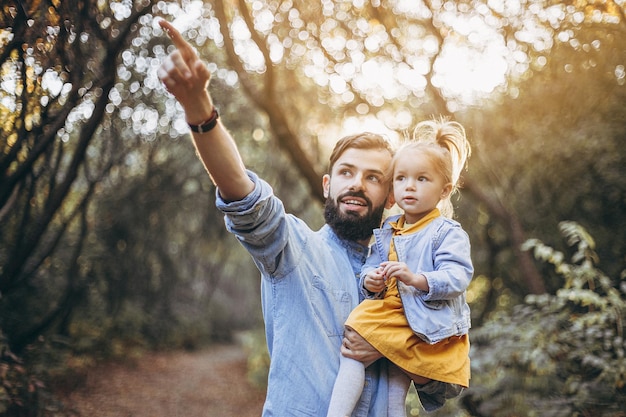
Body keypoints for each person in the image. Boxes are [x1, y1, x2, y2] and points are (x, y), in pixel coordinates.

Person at [156, 19, 395, 416]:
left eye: (373, 178)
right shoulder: (294, 251)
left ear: (388, 196)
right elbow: (243, 196)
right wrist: (199, 107)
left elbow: (438, 380)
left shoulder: (403, 276)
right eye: (347, 172)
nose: (357, 185)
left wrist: (392, 343)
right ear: (326, 184)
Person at [326, 119, 474, 417]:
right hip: (389, 310)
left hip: (420, 317)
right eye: (401, 178)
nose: (410, 186)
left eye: (422, 179)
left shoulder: (446, 232)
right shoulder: (388, 228)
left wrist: (416, 278)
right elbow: (369, 265)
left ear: (444, 190)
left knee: (398, 377)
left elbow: (458, 276)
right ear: (392, 188)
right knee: (353, 351)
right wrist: (372, 280)